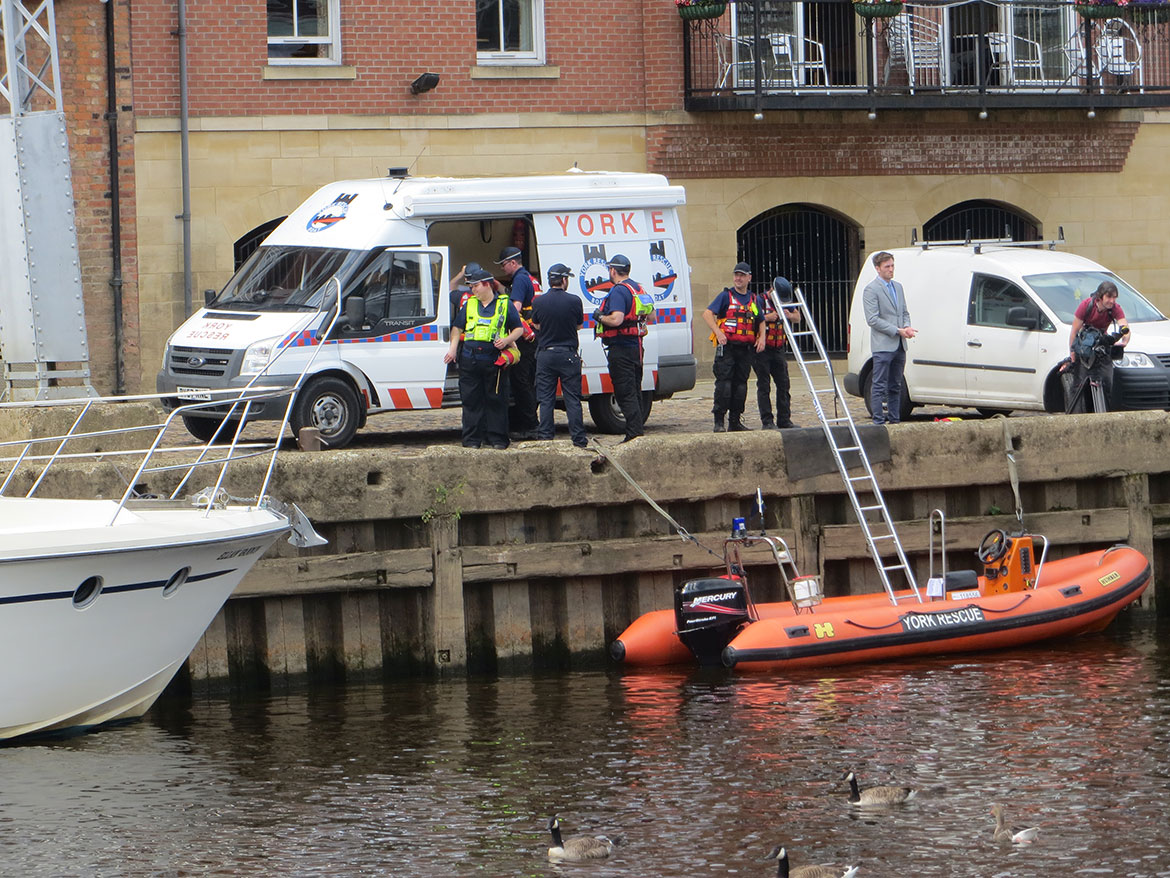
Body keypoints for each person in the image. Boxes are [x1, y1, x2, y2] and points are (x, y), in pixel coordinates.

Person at [443, 264, 524, 449]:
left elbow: (518, 328)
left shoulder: (505, 305)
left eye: (475, 286)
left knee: (496, 400)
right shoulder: (470, 304)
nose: (472, 289)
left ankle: (497, 439)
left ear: (487, 284)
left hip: (494, 360)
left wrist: (506, 340)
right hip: (470, 359)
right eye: (471, 286)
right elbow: (457, 328)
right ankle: (472, 440)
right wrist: (453, 349)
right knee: (471, 401)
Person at [702, 261, 764, 432]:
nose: (738, 278)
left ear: (749, 278)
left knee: (741, 386)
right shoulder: (725, 296)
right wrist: (718, 332)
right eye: (736, 275)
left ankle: (735, 421)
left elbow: (760, 320)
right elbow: (707, 314)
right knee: (724, 385)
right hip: (727, 348)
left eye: (742, 275)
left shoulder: (753, 300)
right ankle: (719, 421)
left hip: (745, 349)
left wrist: (762, 338)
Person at [531, 263, 588, 448]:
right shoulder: (574, 300)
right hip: (568, 354)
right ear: (564, 280)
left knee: (546, 398)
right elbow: (579, 325)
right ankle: (578, 439)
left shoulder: (538, 301)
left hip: (546, 354)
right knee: (572, 398)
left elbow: (536, 325)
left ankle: (546, 437)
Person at [596, 253, 652, 442]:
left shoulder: (619, 290)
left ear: (613, 270)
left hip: (621, 349)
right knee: (635, 391)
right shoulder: (638, 289)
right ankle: (636, 432)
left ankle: (633, 435)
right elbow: (651, 316)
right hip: (637, 348)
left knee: (625, 392)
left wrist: (600, 317)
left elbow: (616, 319)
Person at [862, 251, 917, 425]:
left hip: (900, 345)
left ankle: (895, 419)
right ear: (878, 269)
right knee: (879, 385)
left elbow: (904, 311)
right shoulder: (871, 289)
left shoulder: (898, 287)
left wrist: (906, 326)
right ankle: (878, 420)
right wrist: (896, 330)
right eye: (887, 267)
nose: (891, 270)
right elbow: (873, 319)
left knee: (896, 385)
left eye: (892, 266)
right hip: (883, 345)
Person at [1066, 279, 1130, 413]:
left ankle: (1104, 415)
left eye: (1114, 298)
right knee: (1079, 385)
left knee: (1107, 383)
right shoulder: (1086, 306)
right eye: (1109, 297)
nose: (1112, 301)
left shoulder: (1115, 309)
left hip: (1101, 345)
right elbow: (1074, 331)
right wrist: (1073, 353)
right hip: (1085, 348)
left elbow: (1124, 326)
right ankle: (1077, 415)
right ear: (1100, 297)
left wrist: (1124, 340)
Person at [496, 246, 540, 439]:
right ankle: (526, 421)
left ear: (513, 263)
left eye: (504, 265)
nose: (503, 268)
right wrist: (498, 287)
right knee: (527, 381)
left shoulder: (520, 279)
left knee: (521, 382)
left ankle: (530, 425)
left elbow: (515, 308)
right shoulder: (528, 278)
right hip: (533, 337)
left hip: (523, 339)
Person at [754, 275, 801, 430]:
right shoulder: (759, 301)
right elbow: (753, 317)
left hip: (779, 349)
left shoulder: (785, 303)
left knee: (784, 384)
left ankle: (784, 419)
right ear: (772, 290)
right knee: (764, 385)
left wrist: (789, 315)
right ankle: (767, 421)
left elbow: (798, 317)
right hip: (763, 350)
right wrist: (767, 317)